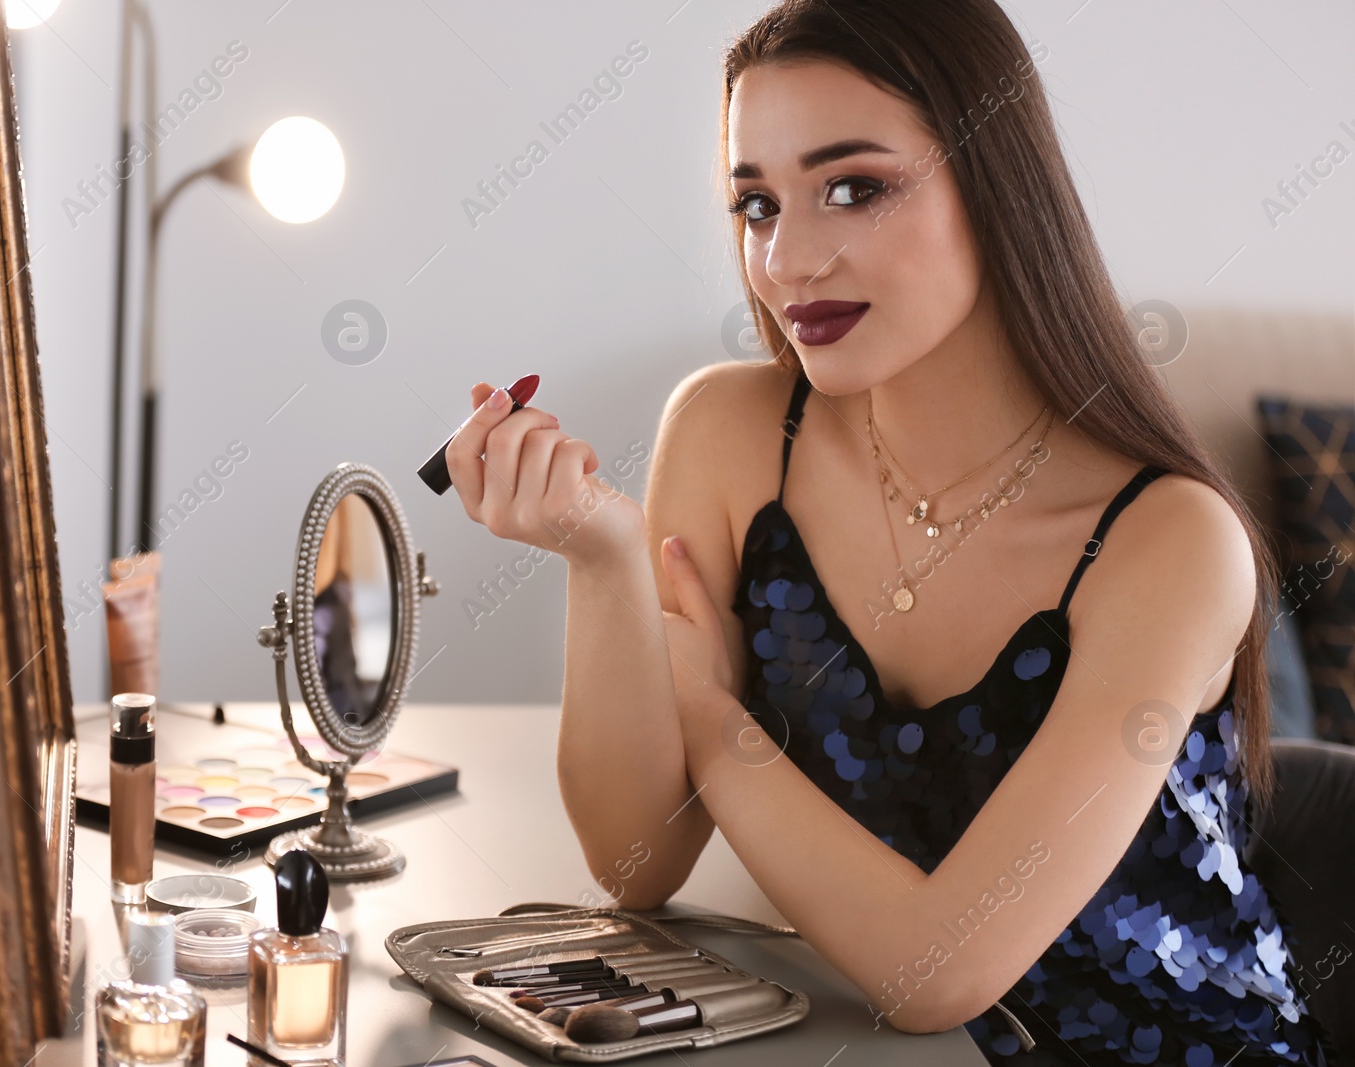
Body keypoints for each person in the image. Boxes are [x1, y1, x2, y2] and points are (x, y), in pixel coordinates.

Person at [442, 1, 1335, 1063]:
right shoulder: (733, 435)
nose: (786, 259)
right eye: (756, 203)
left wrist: (705, 707)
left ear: (997, 185)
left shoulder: (1168, 540)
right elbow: (637, 859)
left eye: (854, 188)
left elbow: (935, 970)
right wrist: (600, 557)